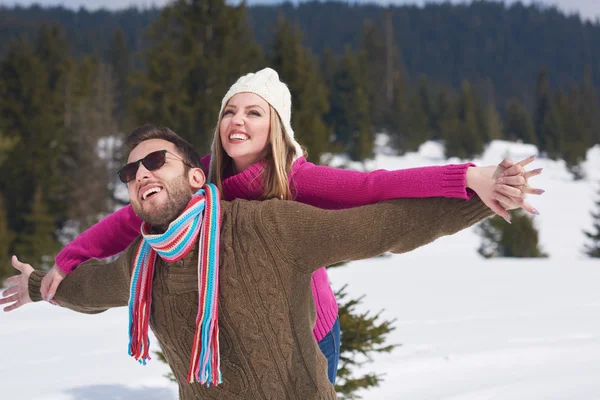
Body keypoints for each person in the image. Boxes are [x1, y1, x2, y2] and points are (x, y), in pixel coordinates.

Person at [37, 68, 542, 384]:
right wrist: (66, 261)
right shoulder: (202, 177)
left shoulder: (297, 178)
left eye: (254, 111)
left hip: (306, 324)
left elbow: (377, 191)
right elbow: (128, 220)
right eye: (229, 110)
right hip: (226, 324)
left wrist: (468, 178)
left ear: (275, 126)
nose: (238, 119)